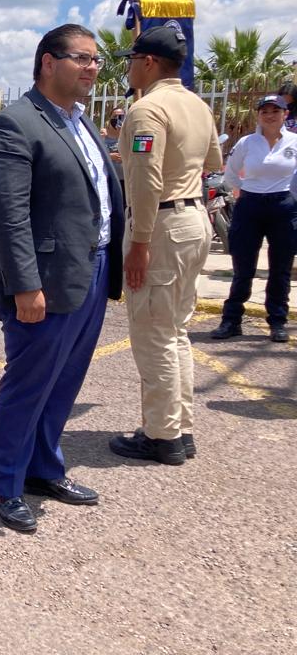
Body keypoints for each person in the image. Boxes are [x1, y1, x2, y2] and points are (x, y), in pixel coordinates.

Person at [0, 23, 124, 534]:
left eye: (95, 60)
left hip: (91, 268)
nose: (92, 68)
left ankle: (44, 469)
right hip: (44, 277)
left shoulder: (81, 122)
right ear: (47, 62)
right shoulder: (15, 124)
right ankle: (7, 484)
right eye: (81, 58)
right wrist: (25, 285)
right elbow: (8, 215)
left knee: (65, 380)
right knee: (29, 384)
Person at [106, 26, 224, 465]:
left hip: (161, 225)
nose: (130, 68)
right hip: (193, 219)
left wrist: (139, 243)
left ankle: (161, 436)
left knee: (153, 333)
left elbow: (145, 180)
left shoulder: (147, 110)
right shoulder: (197, 105)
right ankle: (179, 427)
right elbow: (213, 161)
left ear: (149, 62)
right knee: (175, 331)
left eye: (133, 60)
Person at [209, 94, 297, 343]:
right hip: (250, 205)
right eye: (264, 111)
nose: (270, 116)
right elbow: (231, 173)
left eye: (275, 111)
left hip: (283, 206)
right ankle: (231, 320)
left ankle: (277, 321)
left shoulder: (294, 142)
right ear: (258, 115)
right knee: (243, 267)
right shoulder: (247, 142)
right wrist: (243, 192)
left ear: (285, 114)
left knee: (280, 268)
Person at [103, 106, 126, 200]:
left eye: (121, 117)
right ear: (110, 118)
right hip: (108, 178)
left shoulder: (128, 135)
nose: (117, 119)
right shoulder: (103, 134)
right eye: (115, 116)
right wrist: (109, 156)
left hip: (124, 179)